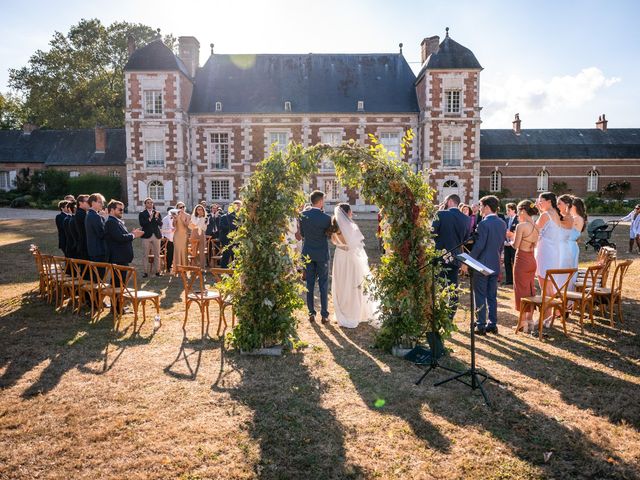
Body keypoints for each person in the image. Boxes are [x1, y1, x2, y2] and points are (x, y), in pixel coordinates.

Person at [330, 203, 379, 328]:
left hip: (340, 256)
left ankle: (344, 313)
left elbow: (334, 241)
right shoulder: (351, 226)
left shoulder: (334, 225)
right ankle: (354, 313)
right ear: (347, 212)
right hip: (350, 257)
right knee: (353, 283)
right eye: (350, 211)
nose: (352, 213)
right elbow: (356, 244)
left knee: (342, 283)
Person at [465, 195, 507, 335]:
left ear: (487, 207)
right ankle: (492, 324)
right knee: (492, 296)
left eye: (481, 206)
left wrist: (468, 261)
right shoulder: (502, 223)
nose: (480, 209)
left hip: (482, 265)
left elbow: (479, 246)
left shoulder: (483, 224)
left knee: (480, 295)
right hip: (495, 263)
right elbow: (501, 246)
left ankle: (481, 324)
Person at [432, 194, 471, 320]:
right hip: (455, 257)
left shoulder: (441, 214)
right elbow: (465, 240)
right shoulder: (466, 218)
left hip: (440, 256)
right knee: (453, 287)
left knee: (438, 286)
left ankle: (438, 313)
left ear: (449, 201)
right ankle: (450, 316)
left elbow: (432, 233)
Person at [534, 192, 571, 325]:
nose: (538, 203)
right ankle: (549, 316)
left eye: (541, 201)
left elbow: (535, 230)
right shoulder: (555, 214)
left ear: (549, 201)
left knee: (545, 286)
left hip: (545, 252)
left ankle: (545, 317)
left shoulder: (545, 215)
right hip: (553, 252)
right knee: (549, 286)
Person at [104, 200, 143, 311]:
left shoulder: (117, 221)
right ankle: (116, 308)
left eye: (123, 209)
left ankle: (117, 306)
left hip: (121, 257)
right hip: (117, 257)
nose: (122, 211)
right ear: (111, 210)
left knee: (119, 283)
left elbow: (122, 236)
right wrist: (133, 235)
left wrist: (132, 234)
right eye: (120, 209)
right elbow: (119, 238)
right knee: (117, 283)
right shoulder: (111, 222)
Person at [300, 190, 332, 324]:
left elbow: (302, 234)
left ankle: (311, 312)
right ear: (320, 201)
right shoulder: (326, 218)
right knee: (323, 284)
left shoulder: (302, 215)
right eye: (323, 200)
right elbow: (329, 235)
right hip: (321, 254)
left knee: (310, 284)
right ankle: (324, 315)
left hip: (308, 253)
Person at [508, 200, 539, 333]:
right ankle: (530, 321)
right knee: (531, 290)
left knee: (520, 291)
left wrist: (511, 237)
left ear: (523, 211)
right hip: (532, 259)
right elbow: (535, 245)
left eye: (519, 211)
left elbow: (515, 245)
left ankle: (522, 323)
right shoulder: (537, 226)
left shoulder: (521, 226)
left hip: (521, 259)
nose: (518, 214)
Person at [138, 197, 163, 277]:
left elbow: (160, 224)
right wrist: (150, 218)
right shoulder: (142, 213)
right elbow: (142, 224)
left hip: (156, 235)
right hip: (146, 236)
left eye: (151, 202)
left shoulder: (157, 213)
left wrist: (156, 217)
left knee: (157, 255)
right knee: (145, 255)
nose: (150, 204)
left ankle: (157, 271)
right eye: (148, 202)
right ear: (145, 204)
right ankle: (145, 272)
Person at [85, 193, 108, 263]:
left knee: (97, 273)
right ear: (93, 203)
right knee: (100, 273)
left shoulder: (90, 214)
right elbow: (101, 234)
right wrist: (106, 220)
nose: (102, 204)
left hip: (93, 250)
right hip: (98, 251)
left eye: (102, 202)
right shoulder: (95, 216)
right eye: (100, 202)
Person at [219, 200, 242, 268]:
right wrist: (232, 227)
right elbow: (221, 227)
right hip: (226, 239)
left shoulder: (241, 217)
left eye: (239, 206)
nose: (238, 207)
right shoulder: (224, 216)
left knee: (236, 256)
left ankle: (235, 272)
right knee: (226, 255)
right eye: (236, 206)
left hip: (237, 239)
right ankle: (223, 272)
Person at [502, 202, 519, 286]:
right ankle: (509, 280)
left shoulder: (518, 219)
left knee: (515, 262)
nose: (507, 212)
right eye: (506, 210)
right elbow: (504, 231)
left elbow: (518, 233)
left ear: (514, 210)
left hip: (514, 244)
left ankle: (516, 280)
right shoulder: (506, 220)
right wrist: (505, 241)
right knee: (506, 262)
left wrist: (512, 241)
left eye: (508, 210)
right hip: (506, 244)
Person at [172, 202, 190, 274]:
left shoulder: (188, 215)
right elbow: (174, 225)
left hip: (184, 235)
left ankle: (184, 268)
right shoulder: (175, 215)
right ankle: (177, 268)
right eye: (180, 207)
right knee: (177, 251)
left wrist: (181, 218)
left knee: (183, 251)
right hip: (177, 235)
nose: (182, 208)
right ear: (177, 208)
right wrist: (175, 219)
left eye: (183, 207)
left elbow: (187, 226)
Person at [189, 204, 207, 269]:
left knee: (202, 251)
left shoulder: (205, 217)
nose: (200, 211)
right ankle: (194, 267)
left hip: (201, 233)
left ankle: (202, 267)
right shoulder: (193, 216)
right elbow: (194, 224)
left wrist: (202, 219)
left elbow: (204, 228)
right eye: (198, 209)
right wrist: (199, 220)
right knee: (194, 251)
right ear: (196, 210)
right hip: (194, 233)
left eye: (201, 209)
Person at [74, 194, 90, 260]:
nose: (89, 204)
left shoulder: (83, 213)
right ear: (80, 203)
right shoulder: (81, 213)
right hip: (84, 246)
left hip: (84, 245)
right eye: (87, 202)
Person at [161, 208, 176, 273]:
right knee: (169, 253)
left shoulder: (175, 218)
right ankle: (168, 267)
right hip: (167, 238)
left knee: (173, 253)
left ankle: (172, 265)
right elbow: (162, 230)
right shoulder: (165, 219)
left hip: (174, 238)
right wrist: (171, 230)